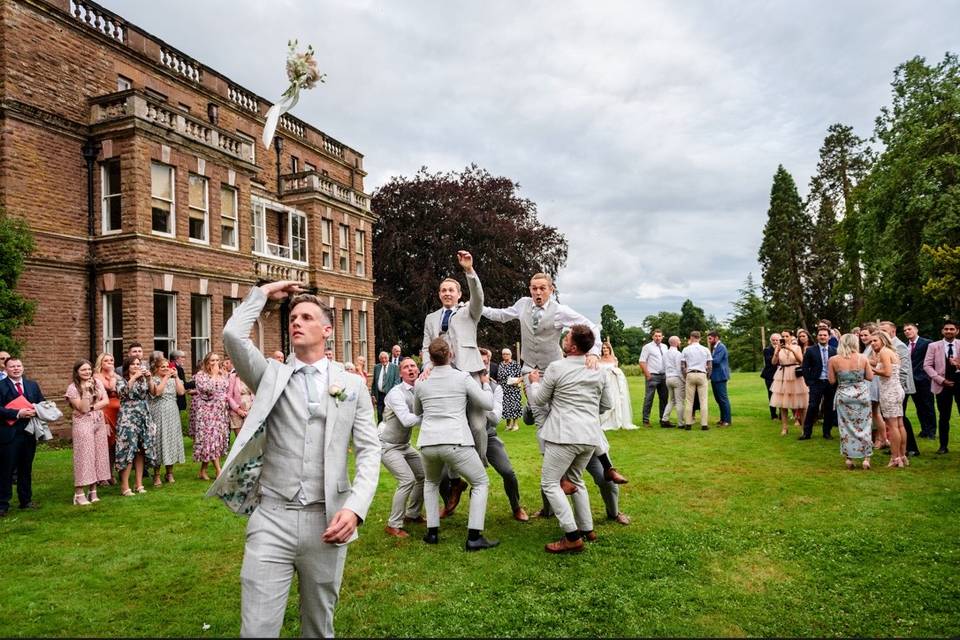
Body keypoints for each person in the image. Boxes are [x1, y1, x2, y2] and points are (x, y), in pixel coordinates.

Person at [209, 280, 380, 638]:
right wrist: (261, 294)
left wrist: (355, 508)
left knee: (319, 628)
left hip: (328, 521)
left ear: (327, 330)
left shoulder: (352, 385)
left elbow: (369, 451)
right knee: (256, 630)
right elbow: (232, 336)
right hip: (272, 518)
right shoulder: (270, 375)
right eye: (293, 318)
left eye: (306, 317)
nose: (296, 322)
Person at [527, 324, 612, 553]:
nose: (564, 338)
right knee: (576, 480)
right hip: (590, 436)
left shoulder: (557, 367)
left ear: (572, 346)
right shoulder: (600, 371)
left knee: (550, 483)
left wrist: (534, 382)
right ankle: (587, 529)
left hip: (564, 434)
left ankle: (572, 536)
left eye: (567, 337)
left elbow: (539, 400)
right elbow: (607, 405)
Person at [414, 338, 497, 551]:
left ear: (430, 358)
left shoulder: (421, 381)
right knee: (480, 482)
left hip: (428, 442)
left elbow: (416, 412)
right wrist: (486, 383)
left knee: (431, 484)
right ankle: (474, 536)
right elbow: (487, 403)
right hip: (456, 440)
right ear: (451, 355)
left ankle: (432, 533)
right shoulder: (462, 377)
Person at [420, 250, 488, 465]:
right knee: (449, 426)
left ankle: (479, 462)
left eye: (451, 290)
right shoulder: (431, 318)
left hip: (469, 370)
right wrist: (426, 366)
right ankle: (453, 472)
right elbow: (425, 346)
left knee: (477, 425)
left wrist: (469, 270)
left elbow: (478, 296)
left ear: (459, 294)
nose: (447, 293)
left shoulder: (470, 311)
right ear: (439, 294)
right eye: (443, 290)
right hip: (444, 376)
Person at [479, 348, 528, 522]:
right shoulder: (463, 382)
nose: (483, 364)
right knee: (445, 474)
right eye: (480, 360)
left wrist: (484, 390)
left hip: (488, 434)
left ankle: (516, 506)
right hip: (465, 438)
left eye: (486, 362)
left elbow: (494, 418)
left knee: (508, 472)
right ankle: (449, 503)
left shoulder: (495, 387)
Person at [379, 357, 425, 538]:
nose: (411, 369)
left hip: (405, 445)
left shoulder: (420, 389)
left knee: (423, 475)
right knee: (407, 480)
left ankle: (412, 514)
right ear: (401, 373)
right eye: (406, 367)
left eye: (413, 366)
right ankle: (393, 525)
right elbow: (406, 421)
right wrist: (431, 415)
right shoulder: (395, 393)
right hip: (387, 446)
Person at [0, 358, 46, 515]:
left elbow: (42, 402)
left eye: (18, 366)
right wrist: (17, 413)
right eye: (12, 366)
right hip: (8, 434)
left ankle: (25, 500)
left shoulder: (32, 385)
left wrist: (36, 410)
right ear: (6, 369)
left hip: (28, 433)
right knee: (6, 469)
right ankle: (2, 505)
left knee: (26, 468)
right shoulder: (1, 386)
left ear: (23, 367)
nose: (16, 369)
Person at [65, 359, 110, 505]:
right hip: (82, 423)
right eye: (83, 370)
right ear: (77, 372)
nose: (87, 372)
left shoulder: (97, 383)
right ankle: (78, 493)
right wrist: (85, 391)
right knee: (85, 457)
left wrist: (92, 407)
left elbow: (106, 401)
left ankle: (93, 491)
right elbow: (82, 408)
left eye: (89, 369)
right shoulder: (73, 388)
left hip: (98, 421)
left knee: (98, 455)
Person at [115, 356, 158, 496]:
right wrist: (133, 378)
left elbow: (153, 393)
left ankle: (139, 484)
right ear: (127, 366)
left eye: (138, 364)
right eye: (133, 364)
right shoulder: (121, 380)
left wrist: (149, 378)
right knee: (128, 449)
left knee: (140, 449)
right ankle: (124, 486)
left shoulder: (143, 379)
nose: (136, 366)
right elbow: (122, 394)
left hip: (143, 415)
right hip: (128, 417)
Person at [830, 334, 874, 469]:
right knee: (865, 425)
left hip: (844, 396)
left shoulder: (833, 360)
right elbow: (870, 377)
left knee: (846, 427)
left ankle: (849, 459)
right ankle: (866, 459)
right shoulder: (863, 358)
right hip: (862, 395)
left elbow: (831, 381)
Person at [880, 321, 920, 457]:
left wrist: (897, 386)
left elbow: (903, 369)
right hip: (889, 387)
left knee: (900, 419)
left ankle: (911, 448)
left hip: (897, 387)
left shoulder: (900, 346)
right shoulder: (885, 347)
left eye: (884, 331)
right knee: (895, 419)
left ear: (893, 331)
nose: (881, 333)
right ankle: (897, 448)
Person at [190, 351, 230, 480]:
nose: (215, 363)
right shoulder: (200, 376)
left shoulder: (223, 375)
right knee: (210, 440)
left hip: (220, 411)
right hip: (207, 411)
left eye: (217, 360)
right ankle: (219, 471)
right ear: (207, 362)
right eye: (212, 360)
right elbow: (208, 389)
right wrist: (213, 375)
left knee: (216, 441)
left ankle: (203, 471)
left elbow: (225, 389)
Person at [869, 332, 907, 467]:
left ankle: (894, 457)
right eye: (871, 341)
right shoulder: (890, 351)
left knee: (892, 426)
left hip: (890, 391)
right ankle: (902, 456)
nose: (872, 343)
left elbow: (887, 372)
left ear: (883, 340)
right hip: (896, 390)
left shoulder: (885, 352)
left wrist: (872, 370)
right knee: (900, 424)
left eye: (875, 341)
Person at [923, 319, 960, 455]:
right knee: (944, 417)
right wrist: (941, 380)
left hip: (959, 383)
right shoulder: (934, 346)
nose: (949, 331)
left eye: (952, 329)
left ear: (957, 331)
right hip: (942, 385)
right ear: (942, 331)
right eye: (946, 329)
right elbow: (927, 365)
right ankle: (943, 446)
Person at [148, 352, 185, 486]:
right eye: (162, 367)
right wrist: (165, 377)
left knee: (171, 440)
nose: (165, 368)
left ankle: (169, 472)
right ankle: (156, 474)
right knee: (158, 441)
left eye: (166, 366)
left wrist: (175, 377)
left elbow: (181, 392)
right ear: (156, 369)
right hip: (158, 412)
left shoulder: (172, 379)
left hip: (172, 412)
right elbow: (158, 392)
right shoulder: (153, 379)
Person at [800, 327, 837, 440]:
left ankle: (827, 432)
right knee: (812, 406)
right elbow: (805, 367)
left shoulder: (834, 350)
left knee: (829, 408)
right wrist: (808, 381)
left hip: (830, 383)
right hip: (816, 382)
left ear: (829, 337)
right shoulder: (811, 350)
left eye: (825, 335)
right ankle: (807, 433)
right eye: (820, 335)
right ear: (817, 336)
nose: (822, 337)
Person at [769, 330, 807, 436]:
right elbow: (773, 362)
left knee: (800, 403)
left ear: (791, 337)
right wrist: (777, 351)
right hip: (782, 374)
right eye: (783, 336)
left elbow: (801, 361)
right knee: (783, 403)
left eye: (787, 336)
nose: (784, 338)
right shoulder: (778, 348)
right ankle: (785, 428)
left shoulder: (797, 347)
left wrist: (791, 349)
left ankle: (803, 428)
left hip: (795, 374)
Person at [903, 323, 936, 439]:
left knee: (928, 405)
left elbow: (932, 360)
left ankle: (931, 431)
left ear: (916, 330)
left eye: (909, 329)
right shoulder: (905, 345)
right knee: (919, 407)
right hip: (911, 380)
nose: (907, 331)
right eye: (905, 330)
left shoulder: (927, 343)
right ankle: (924, 430)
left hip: (924, 379)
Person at [94, 352, 121, 483]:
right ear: (101, 363)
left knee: (114, 445)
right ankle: (101, 476)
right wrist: (112, 376)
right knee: (104, 445)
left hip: (118, 412)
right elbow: (110, 388)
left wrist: (114, 376)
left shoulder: (116, 375)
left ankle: (110, 473)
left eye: (112, 360)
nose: (110, 363)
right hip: (105, 412)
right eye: (106, 361)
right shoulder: (96, 376)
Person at [598, 341, 637, 430]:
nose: (605, 350)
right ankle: (604, 421)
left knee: (615, 400)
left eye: (606, 348)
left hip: (613, 382)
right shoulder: (599, 359)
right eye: (603, 348)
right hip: (603, 383)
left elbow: (618, 371)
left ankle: (616, 420)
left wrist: (614, 370)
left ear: (609, 349)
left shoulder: (614, 359)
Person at [681, 331, 712, 430]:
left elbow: (682, 366)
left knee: (689, 401)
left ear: (691, 337)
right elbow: (710, 366)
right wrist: (707, 377)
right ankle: (704, 424)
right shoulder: (705, 349)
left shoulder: (686, 349)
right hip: (702, 374)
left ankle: (688, 424)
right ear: (699, 338)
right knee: (703, 400)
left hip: (690, 374)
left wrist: (685, 376)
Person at [638, 330, 669, 427]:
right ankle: (646, 420)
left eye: (659, 336)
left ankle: (663, 420)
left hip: (664, 376)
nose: (658, 338)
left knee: (664, 399)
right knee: (649, 398)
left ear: (662, 337)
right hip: (652, 375)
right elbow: (642, 361)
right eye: (656, 336)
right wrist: (648, 374)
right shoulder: (647, 347)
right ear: (652, 337)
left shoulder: (665, 347)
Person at [707, 330, 732, 427]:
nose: (709, 340)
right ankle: (722, 419)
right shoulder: (715, 347)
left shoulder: (721, 347)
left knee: (723, 399)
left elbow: (716, 361)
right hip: (715, 376)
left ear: (716, 338)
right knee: (718, 399)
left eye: (710, 338)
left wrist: (706, 361)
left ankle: (727, 420)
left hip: (720, 376)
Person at [659, 336, 685, 427]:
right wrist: (684, 380)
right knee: (679, 401)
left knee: (671, 400)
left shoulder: (665, 354)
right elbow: (679, 369)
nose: (680, 342)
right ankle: (681, 423)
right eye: (679, 341)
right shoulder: (678, 354)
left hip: (668, 378)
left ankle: (664, 419)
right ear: (676, 342)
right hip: (676, 378)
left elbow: (662, 368)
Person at [497, 347, 523, 431]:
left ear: (510, 355)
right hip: (504, 389)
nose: (505, 355)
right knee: (506, 407)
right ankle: (508, 425)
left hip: (513, 389)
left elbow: (522, 375)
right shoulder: (501, 364)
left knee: (514, 405)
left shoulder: (515, 364)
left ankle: (515, 424)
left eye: (507, 354)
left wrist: (517, 381)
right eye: (503, 354)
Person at [227, 365, 255, 439]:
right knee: (240, 440)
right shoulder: (233, 377)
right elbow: (229, 396)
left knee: (250, 439)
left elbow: (255, 394)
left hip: (250, 410)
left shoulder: (251, 377)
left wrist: (251, 408)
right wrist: (238, 410)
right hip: (236, 411)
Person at [372, 351, 400, 421]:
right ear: (379, 359)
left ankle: (388, 429)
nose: (384, 360)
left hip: (389, 395)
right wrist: (373, 394)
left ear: (388, 358)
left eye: (385, 358)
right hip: (379, 395)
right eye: (382, 358)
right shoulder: (376, 367)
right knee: (379, 414)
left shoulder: (394, 367)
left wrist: (392, 393)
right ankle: (379, 430)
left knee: (389, 414)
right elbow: (374, 382)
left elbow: (397, 382)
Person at [761, 333, 781, 420]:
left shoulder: (783, 349)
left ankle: (782, 414)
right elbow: (770, 361)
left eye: (777, 340)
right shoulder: (767, 350)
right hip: (770, 375)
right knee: (771, 394)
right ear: (770, 341)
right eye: (773, 340)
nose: (775, 342)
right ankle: (773, 415)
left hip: (781, 374)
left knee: (781, 395)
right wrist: (776, 351)